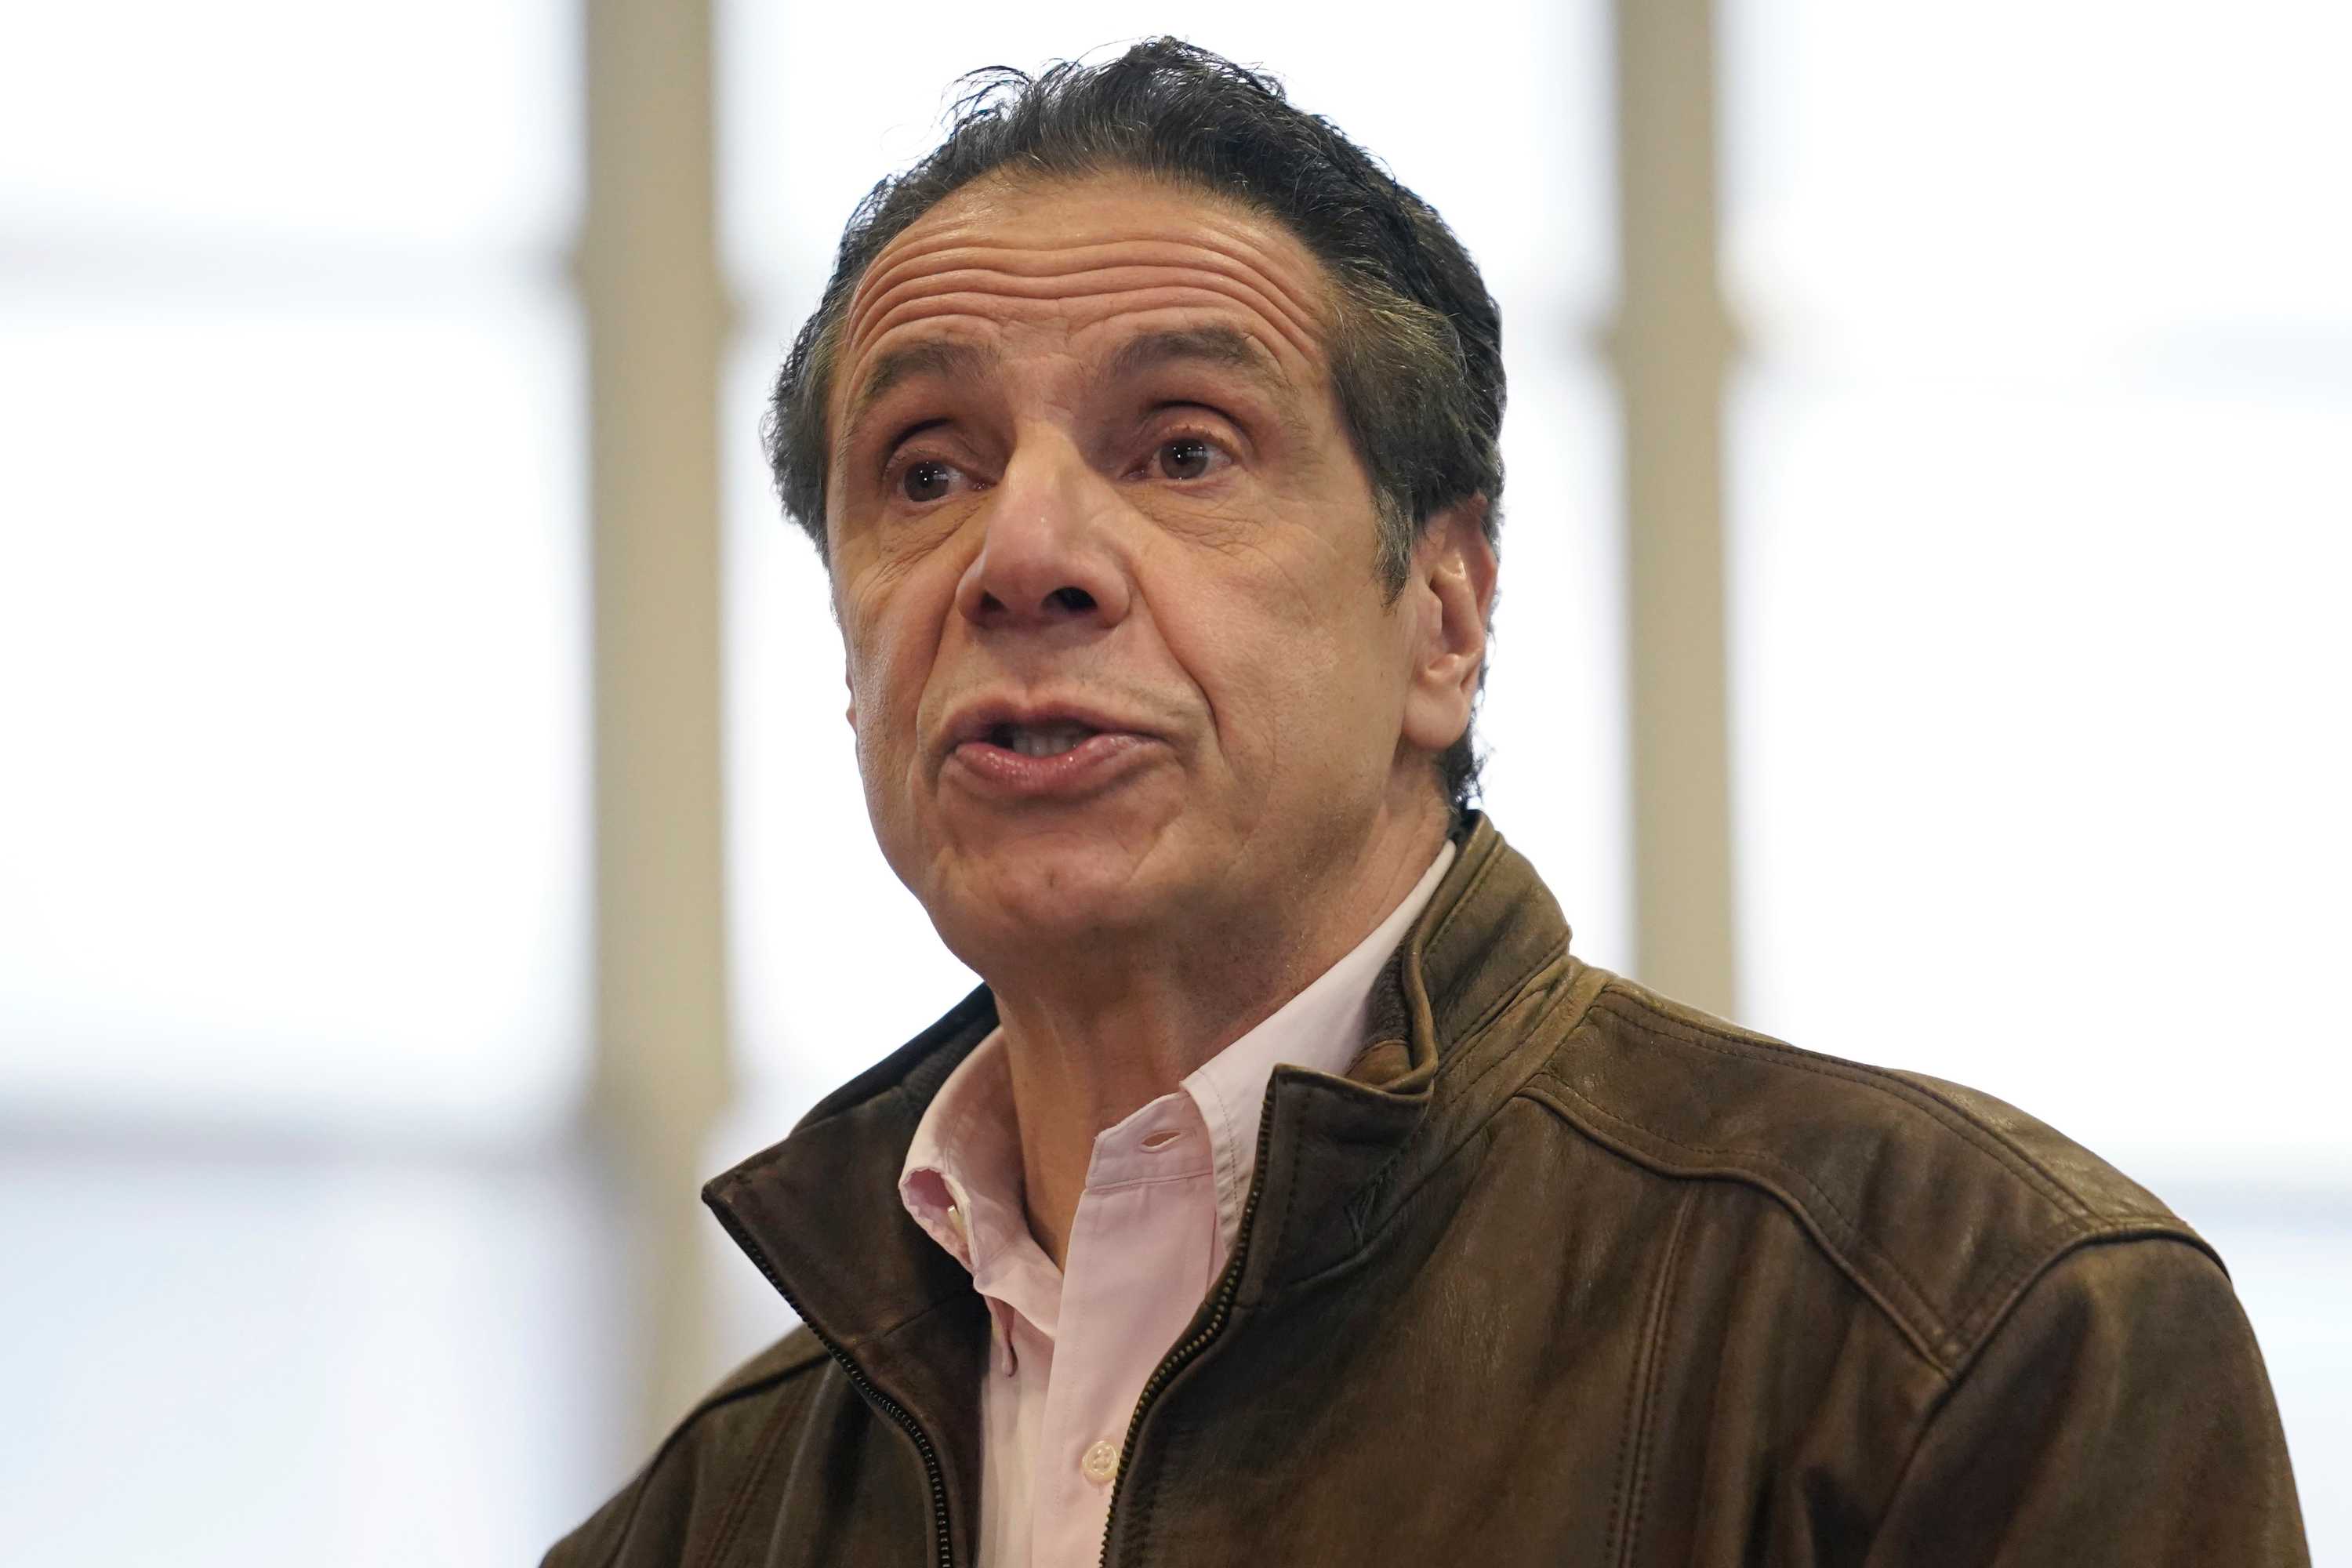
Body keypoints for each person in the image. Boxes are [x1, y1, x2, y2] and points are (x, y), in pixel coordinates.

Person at [545, 38, 2308, 1568]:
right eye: (927, 471)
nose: (1024, 555)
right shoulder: (702, 1516)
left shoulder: (1964, 1333)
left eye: (1184, 447)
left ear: (1446, 616)